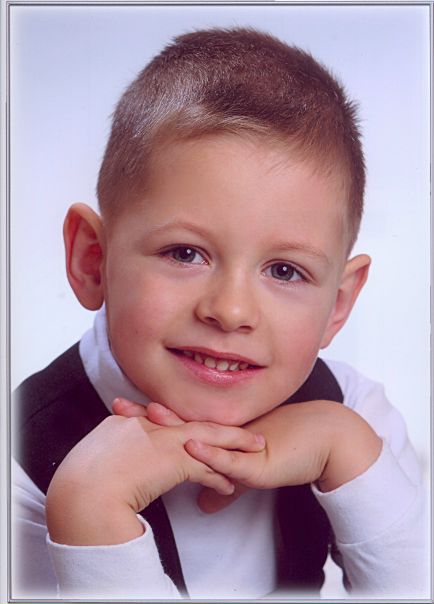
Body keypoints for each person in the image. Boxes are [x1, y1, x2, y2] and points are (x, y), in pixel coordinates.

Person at [12, 27, 428, 600]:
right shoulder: (24, 466)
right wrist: (90, 513)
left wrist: (347, 450)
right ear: (93, 260)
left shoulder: (355, 416)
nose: (231, 311)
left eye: (285, 270)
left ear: (338, 304)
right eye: (185, 254)